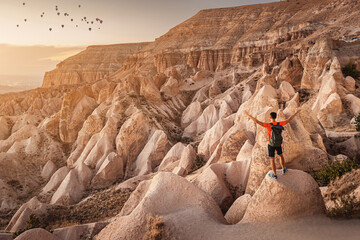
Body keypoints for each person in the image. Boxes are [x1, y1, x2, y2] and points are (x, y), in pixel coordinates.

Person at [244, 109, 301, 179]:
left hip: (271, 144)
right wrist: (296, 112)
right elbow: (289, 119)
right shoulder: (280, 124)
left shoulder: (268, 125)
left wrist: (248, 115)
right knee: (281, 156)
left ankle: (274, 174)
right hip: (278, 143)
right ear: (276, 117)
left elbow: (257, 121)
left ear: (270, 117)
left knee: (272, 159)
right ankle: (283, 169)